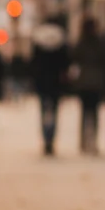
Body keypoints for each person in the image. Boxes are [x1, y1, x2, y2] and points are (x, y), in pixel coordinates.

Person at [31, 18, 70, 156]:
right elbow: (66, 63)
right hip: (56, 83)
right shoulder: (60, 41)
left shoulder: (38, 42)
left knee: (44, 111)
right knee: (54, 112)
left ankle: (46, 138)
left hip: (42, 82)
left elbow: (33, 63)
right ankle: (51, 139)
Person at [72, 16, 105, 154]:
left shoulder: (81, 42)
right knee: (94, 112)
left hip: (84, 82)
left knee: (84, 112)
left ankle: (83, 141)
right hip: (96, 82)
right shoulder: (100, 43)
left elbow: (73, 57)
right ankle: (93, 141)